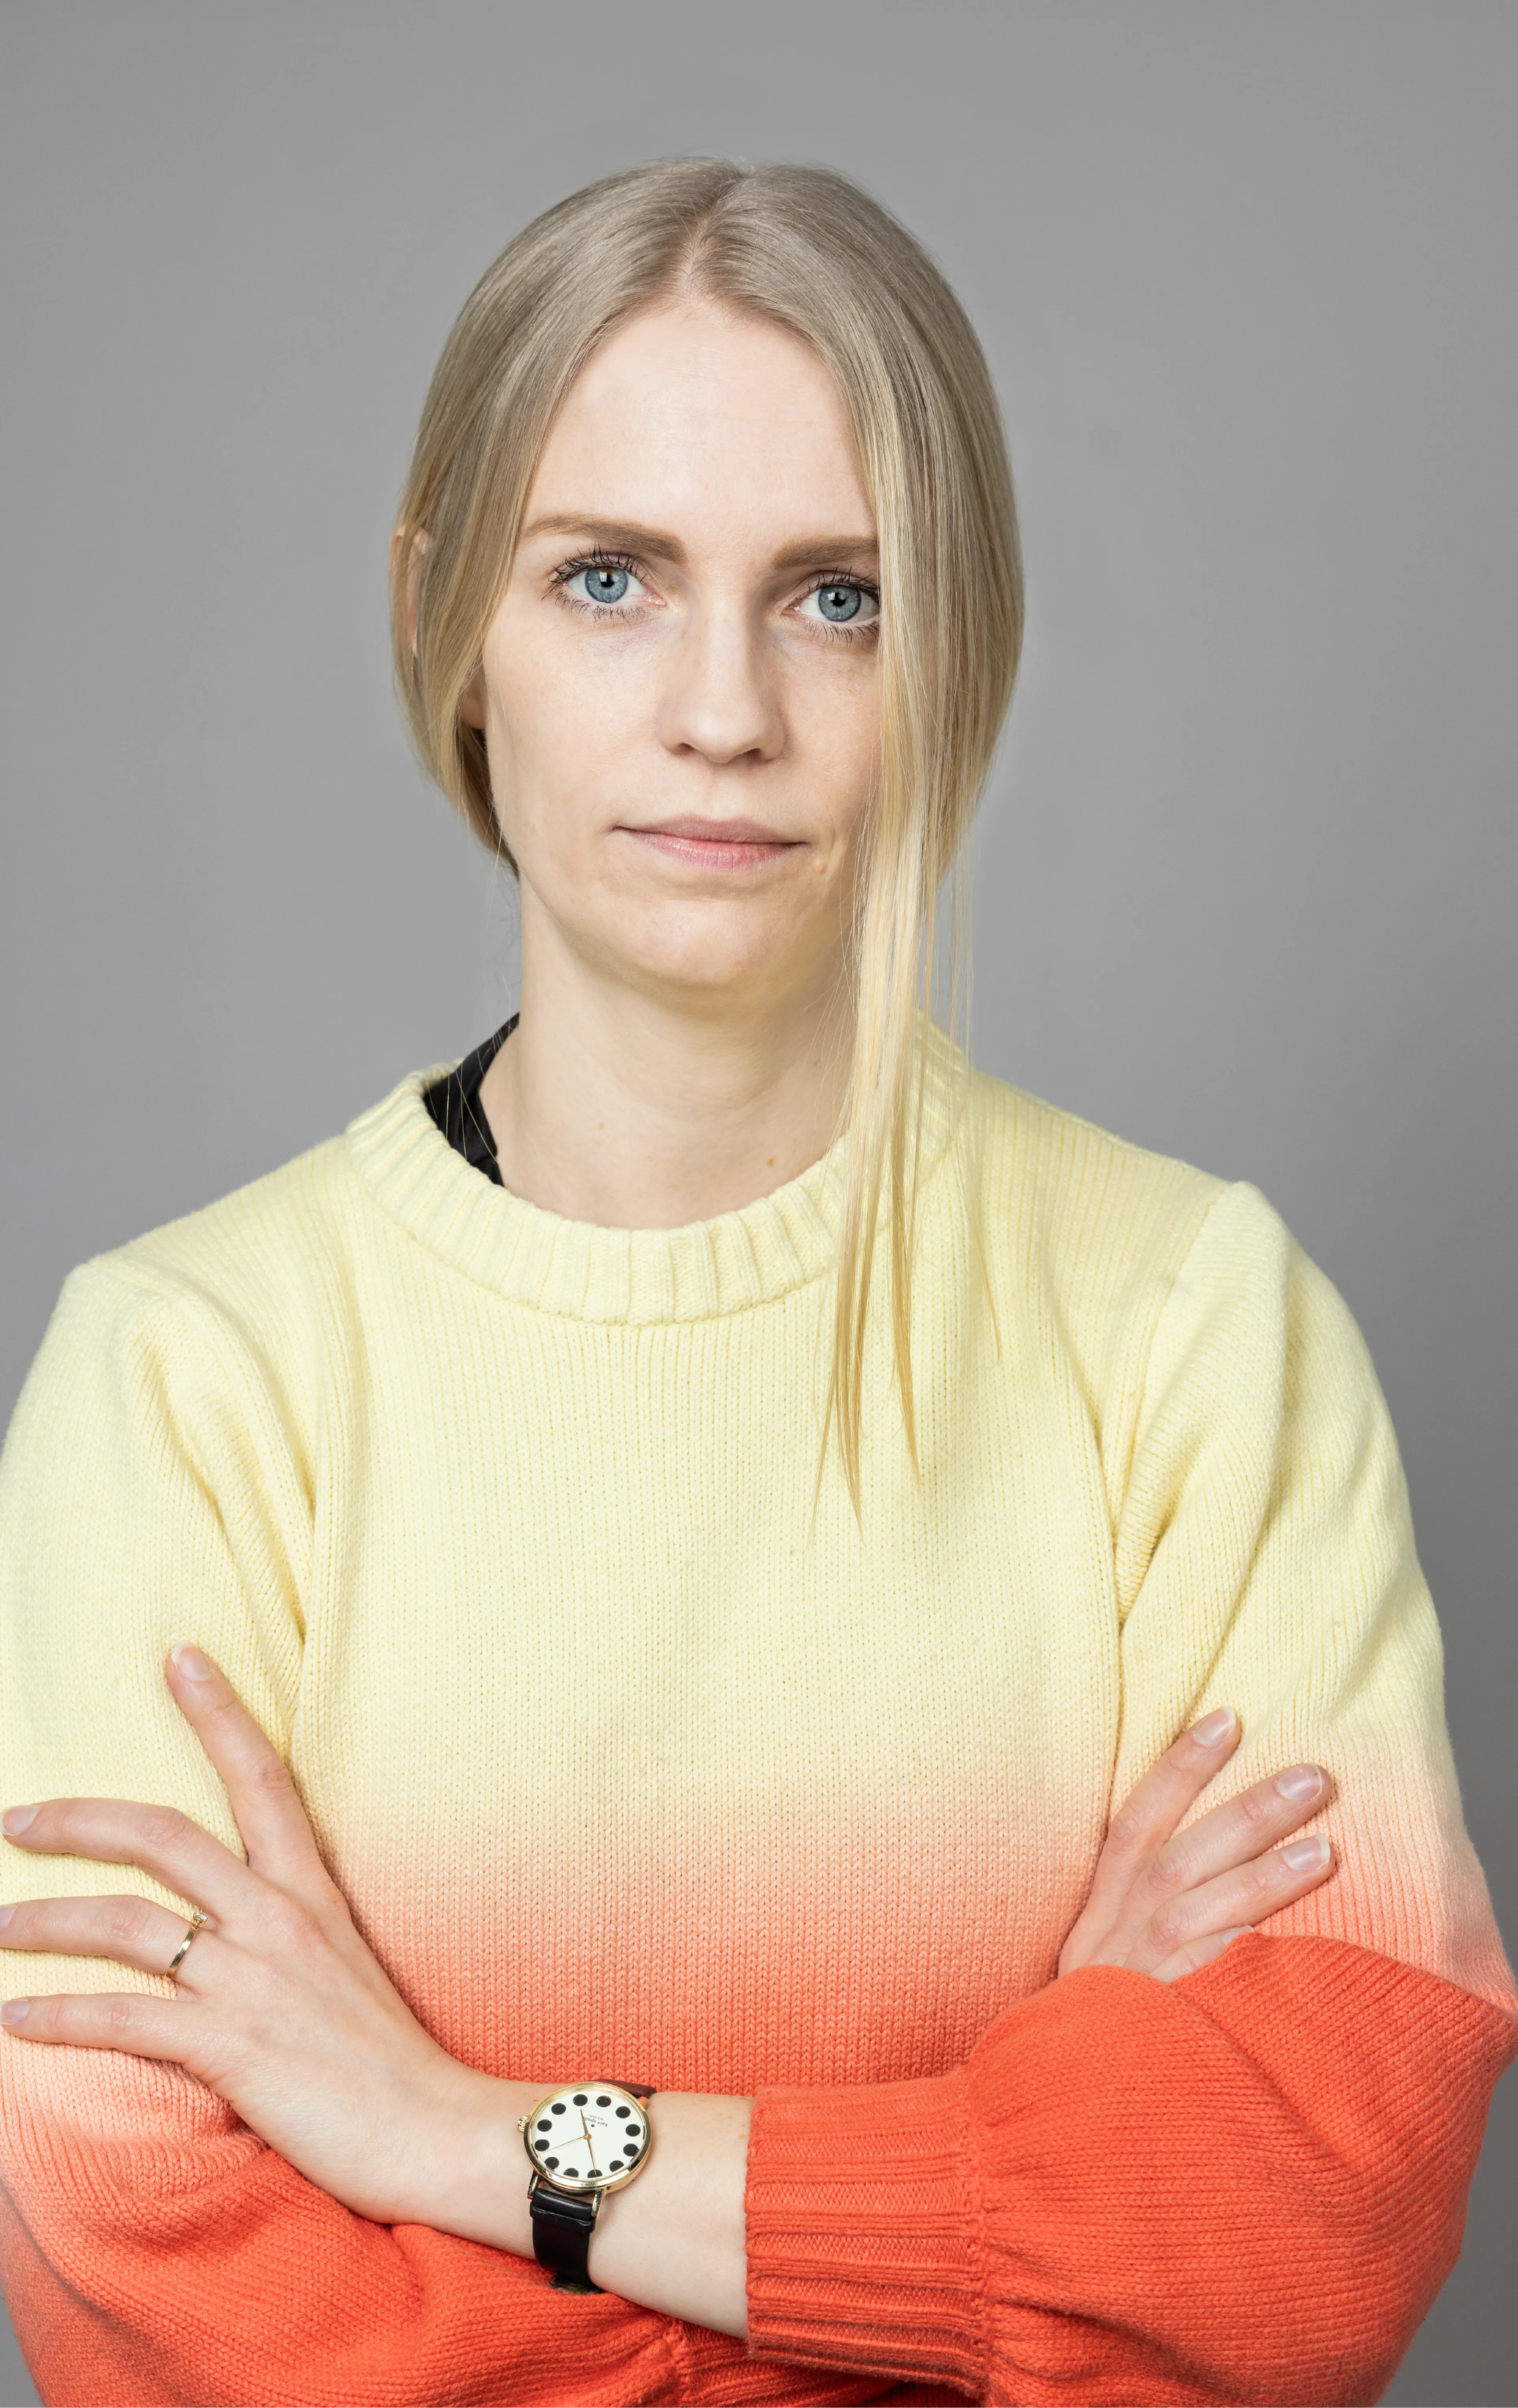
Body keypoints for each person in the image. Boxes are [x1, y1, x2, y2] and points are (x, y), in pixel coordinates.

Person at [0, 157, 1512, 2408]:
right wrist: (991, 2189)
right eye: (608, 577)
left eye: (838, 595)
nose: (723, 707)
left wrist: (453, 2131)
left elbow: (1292, 2239)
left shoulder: (1199, 1324)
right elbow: (157, 2287)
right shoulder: (184, 1377)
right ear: (450, 624)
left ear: (960, 645)